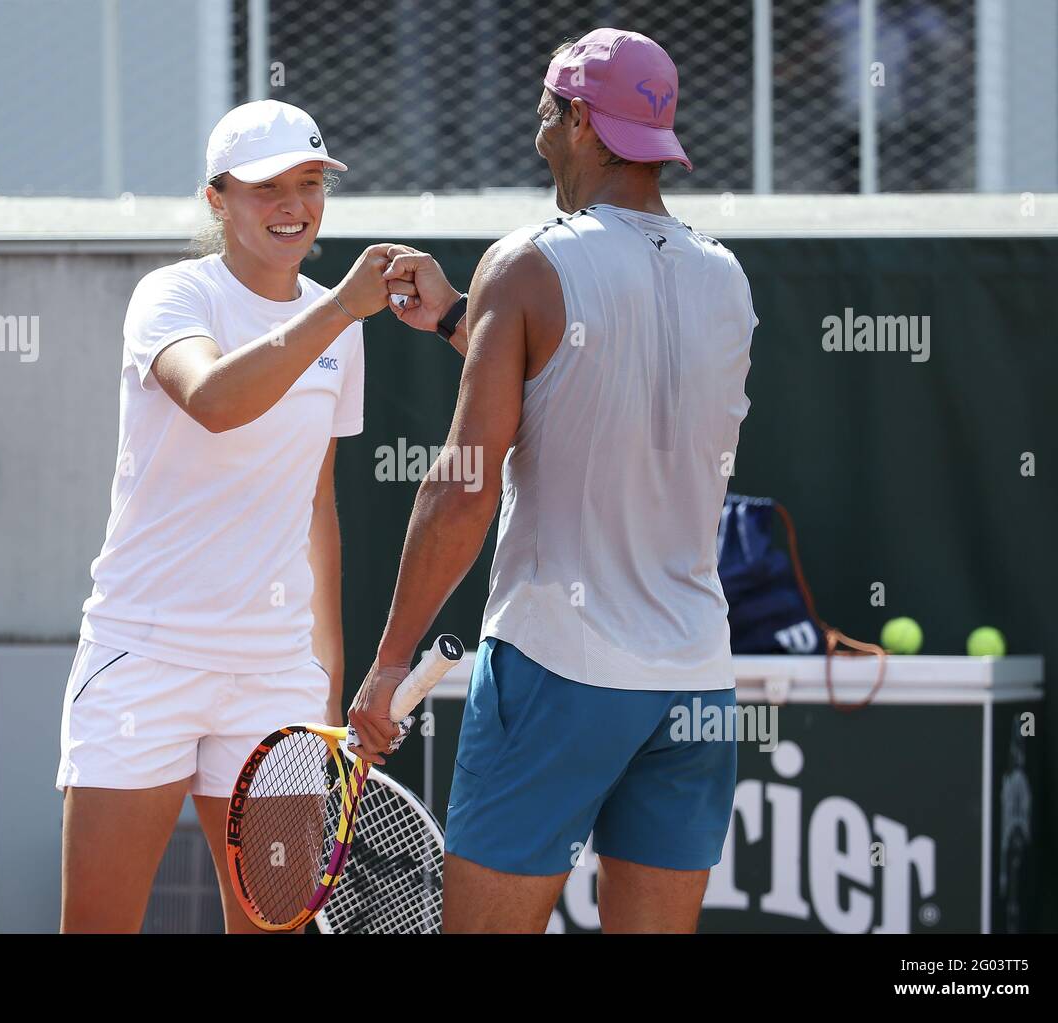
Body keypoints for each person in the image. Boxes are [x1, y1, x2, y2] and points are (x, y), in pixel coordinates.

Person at [347, 28, 757, 933]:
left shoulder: (528, 264)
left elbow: (461, 485)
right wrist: (463, 315)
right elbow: (592, 391)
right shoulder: (728, 280)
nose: (536, 126)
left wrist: (387, 665)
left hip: (555, 670)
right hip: (694, 684)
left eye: (546, 107)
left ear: (577, 121)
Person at [56, 99, 404, 933]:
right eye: (266, 188)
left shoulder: (338, 324)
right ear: (217, 199)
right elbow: (214, 400)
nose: (294, 206)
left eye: (310, 183)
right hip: (145, 656)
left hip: (273, 676)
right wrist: (337, 310)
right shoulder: (171, 297)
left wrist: (325, 684)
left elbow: (317, 504)